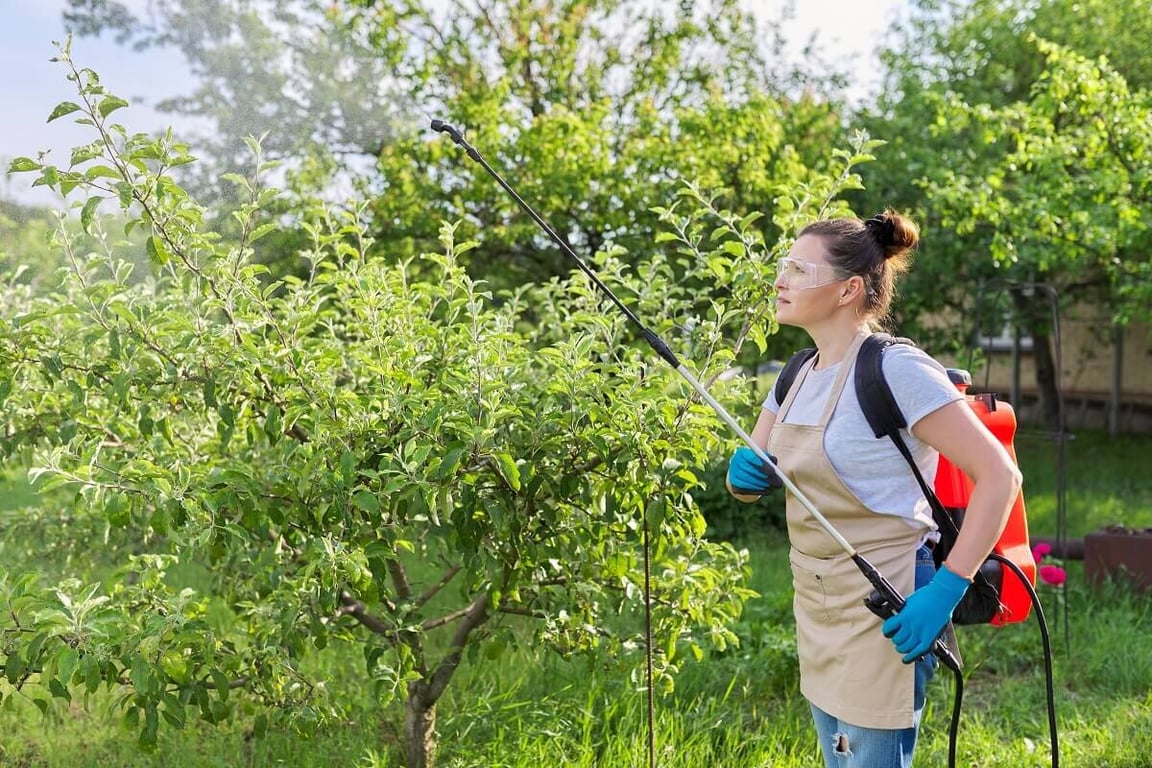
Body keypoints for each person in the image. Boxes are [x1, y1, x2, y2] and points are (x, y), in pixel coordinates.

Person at [725, 211, 1021, 767]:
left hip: (893, 600)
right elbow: (755, 470)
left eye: (796, 268)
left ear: (848, 289)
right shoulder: (795, 375)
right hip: (818, 600)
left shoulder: (897, 370)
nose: (779, 280)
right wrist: (741, 477)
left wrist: (947, 590)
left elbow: (1000, 477)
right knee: (839, 755)